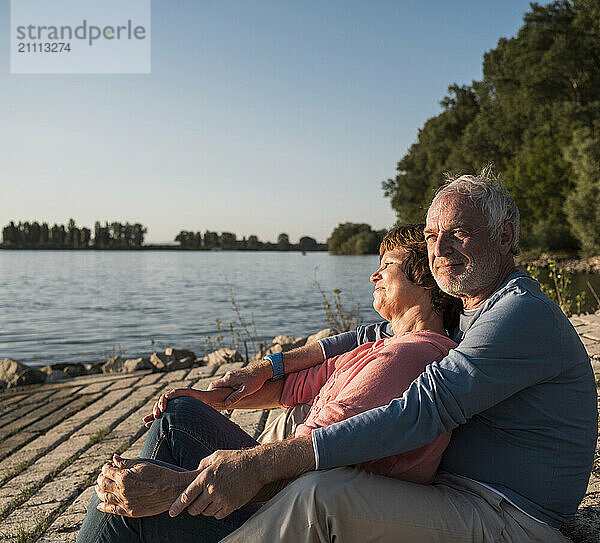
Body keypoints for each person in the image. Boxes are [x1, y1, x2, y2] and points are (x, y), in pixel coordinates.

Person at [167, 168, 596, 542]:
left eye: (458, 233)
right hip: (454, 493)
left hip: (510, 517)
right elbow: (367, 335)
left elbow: (423, 409)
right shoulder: (469, 310)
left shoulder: (520, 313)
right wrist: (266, 367)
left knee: (319, 498)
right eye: (431, 236)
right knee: (291, 466)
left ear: (505, 237)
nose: (439, 250)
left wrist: (260, 465)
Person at [78, 224, 460, 542]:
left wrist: (174, 486)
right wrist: (209, 399)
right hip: (286, 485)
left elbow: (307, 458)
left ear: (425, 280)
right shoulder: (383, 345)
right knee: (178, 414)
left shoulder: (409, 356)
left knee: (121, 506)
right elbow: (289, 388)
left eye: (387, 265)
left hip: (294, 513)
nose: (373, 274)